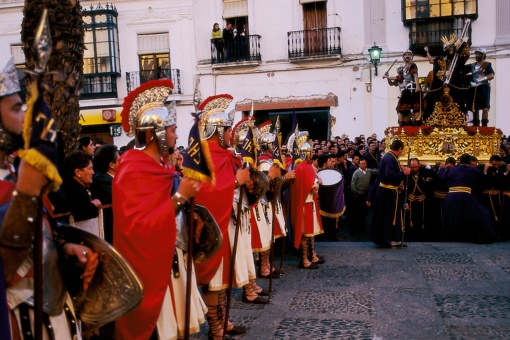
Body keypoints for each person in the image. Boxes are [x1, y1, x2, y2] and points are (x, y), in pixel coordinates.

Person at [0, 56, 98, 339]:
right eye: (18, 108)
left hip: (53, 309)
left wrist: (64, 247)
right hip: (20, 320)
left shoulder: (16, 168)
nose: (26, 117)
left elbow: (39, 231)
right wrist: (27, 192)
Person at [113, 79, 205, 339]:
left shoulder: (162, 167)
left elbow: (162, 210)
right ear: (157, 133)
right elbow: (138, 226)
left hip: (170, 259)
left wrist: (189, 214)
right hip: (148, 269)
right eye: (173, 130)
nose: (177, 135)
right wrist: (181, 197)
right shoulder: (132, 167)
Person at [193, 94, 251, 339]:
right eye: (227, 130)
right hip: (213, 226)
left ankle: (224, 321)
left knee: (224, 277)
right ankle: (215, 327)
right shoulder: (204, 156)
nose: (230, 135)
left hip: (228, 221)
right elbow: (204, 192)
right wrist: (235, 183)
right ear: (218, 131)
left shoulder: (227, 155)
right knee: (214, 279)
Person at [438, 153, 495, 243]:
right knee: (481, 214)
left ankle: (450, 237)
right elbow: (481, 179)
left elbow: (441, 177)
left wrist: (441, 169)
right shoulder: (473, 170)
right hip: (465, 195)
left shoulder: (451, 169)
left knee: (451, 217)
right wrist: (485, 170)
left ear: (459, 161)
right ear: (469, 161)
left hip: (451, 196)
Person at [289, 130, 324, 268]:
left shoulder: (300, 167)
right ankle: (305, 259)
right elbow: (314, 188)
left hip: (308, 203)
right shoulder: (306, 168)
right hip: (306, 203)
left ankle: (311, 255)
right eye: (310, 152)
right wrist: (316, 182)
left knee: (310, 233)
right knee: (306, 233)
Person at [371, 139, 411, 248]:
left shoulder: (390, 157)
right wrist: (403, 173)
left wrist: (398, 184)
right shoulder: (390, 159)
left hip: (389, 191)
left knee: (392, 216)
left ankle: (393, 238)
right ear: (400, 149)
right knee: (389, 216)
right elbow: (389, 176)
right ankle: (388, 239)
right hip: (387, 193)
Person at [423, 34, 470, 122]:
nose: (451, 50)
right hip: (441, 84)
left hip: (454, 84)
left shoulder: (457, 59)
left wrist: (465, 45)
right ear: (446, 49)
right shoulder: (440, 59)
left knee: (457, 101)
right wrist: (444, 73)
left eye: (452, 48)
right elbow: (434, 67)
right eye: (449, 48)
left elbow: (465, 56)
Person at [61, 150, 102, 236]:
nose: (93, 172)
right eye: (90, 168)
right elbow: (82, 212)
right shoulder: (73, 189)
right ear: (78, 172)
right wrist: (94, 205)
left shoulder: (77, 187)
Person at [384, 50, 422, 126]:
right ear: (403, 57)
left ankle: (415, 123)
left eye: (409, 54)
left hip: (413, 88)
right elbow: (394, 81)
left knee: (416, 108)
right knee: (402, 109)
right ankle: (404, 123)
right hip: (406, 91)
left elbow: (415, 75)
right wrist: (388, 77)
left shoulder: (412, 65)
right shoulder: (404, 68)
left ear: (411, 57)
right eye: (406, 55)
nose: (407, 56)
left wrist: (417, 86)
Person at [90, 144, 118, 244]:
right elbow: (117, 197)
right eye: (119, 160)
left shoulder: (111, 178)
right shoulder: (101, 179)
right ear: (112, 165)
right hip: (108, 227)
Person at [404, 158, 436, 242]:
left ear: (419, 165)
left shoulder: (424, 172)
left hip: (422, 202)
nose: (414, 169)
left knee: (422, 221)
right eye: (412, 167)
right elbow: (403, 190)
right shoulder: (407, 174)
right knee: (410, 221)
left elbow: (434, 176)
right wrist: (405, 202)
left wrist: (427, 166)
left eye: (416, 167)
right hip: (410, 202)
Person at [465, 48, 495, 126]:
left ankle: (484, 127)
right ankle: (476, 127)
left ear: (483, 55)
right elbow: (462, 69)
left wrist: (482, 79)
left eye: (479, 54)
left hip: (483, 88)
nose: (477, 55)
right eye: (476, 54)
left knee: (485, 108)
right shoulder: (472, 65)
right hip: (474, 88)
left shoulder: (487, 64)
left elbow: (491, 75)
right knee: (475, 109)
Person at [351, 159, 378, 235]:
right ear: (359, 165)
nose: (363, 165)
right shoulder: (356, 172)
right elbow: (353, 183)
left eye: (365, 163)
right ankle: (355, 229)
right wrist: (355, 193)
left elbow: (377, 172)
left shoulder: (369, 171)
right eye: (362, 164)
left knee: (364, 212)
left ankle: (362, 227)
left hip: (365, 195)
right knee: (357, 213)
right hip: (358, 195)